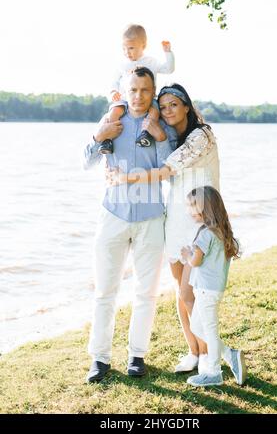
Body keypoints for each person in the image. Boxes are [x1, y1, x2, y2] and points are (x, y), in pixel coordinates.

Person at [106, 83, 220, 374]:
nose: (168, 110)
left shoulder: (200, 136)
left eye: (174, 104)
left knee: (191, 292)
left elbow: (167, 170)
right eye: (164, 105)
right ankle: (194, 351)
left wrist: (126, 179)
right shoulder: (175, 137)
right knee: (181, 294)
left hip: (201, 221)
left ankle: (209, 357)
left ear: (186, 107)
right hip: (176, 218)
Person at [83, 66, 177, 383]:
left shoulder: (161, 125)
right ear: (124, 92)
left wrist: (160, 134)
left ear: (153, 93)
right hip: (113, 215)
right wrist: (99, 137)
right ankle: (100, 359)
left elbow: (173, 166)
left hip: (151, 217)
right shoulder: (111, 121)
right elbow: (86, 160)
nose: (138, 96)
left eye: (145, 90)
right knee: (105, 291)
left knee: (145, 292)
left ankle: (137, 356)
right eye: (133, 90)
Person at [181, 186, 247, 387]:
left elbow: (196, 262)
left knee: (208, 329)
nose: (189, 210)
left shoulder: (205, 234)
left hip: (205, 290)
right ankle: (230, 355)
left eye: (193, 206)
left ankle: (214, 373)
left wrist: (187, 255)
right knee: (198, 327)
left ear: (205, 208)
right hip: (214, 290)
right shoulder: (222, 232)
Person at [99, 24, 175, 154]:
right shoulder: (122, 65)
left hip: (148, 100)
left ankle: (145, 134)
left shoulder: (151, 62)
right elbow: (114, 82)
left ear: (143, 46)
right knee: (114, 111)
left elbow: (169, 69)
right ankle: (108, 140)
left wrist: (168, 52)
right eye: (124, 48)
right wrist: (113, 92)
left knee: (154, 111)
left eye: (131, 48)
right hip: (124, 99)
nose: (127, 52)